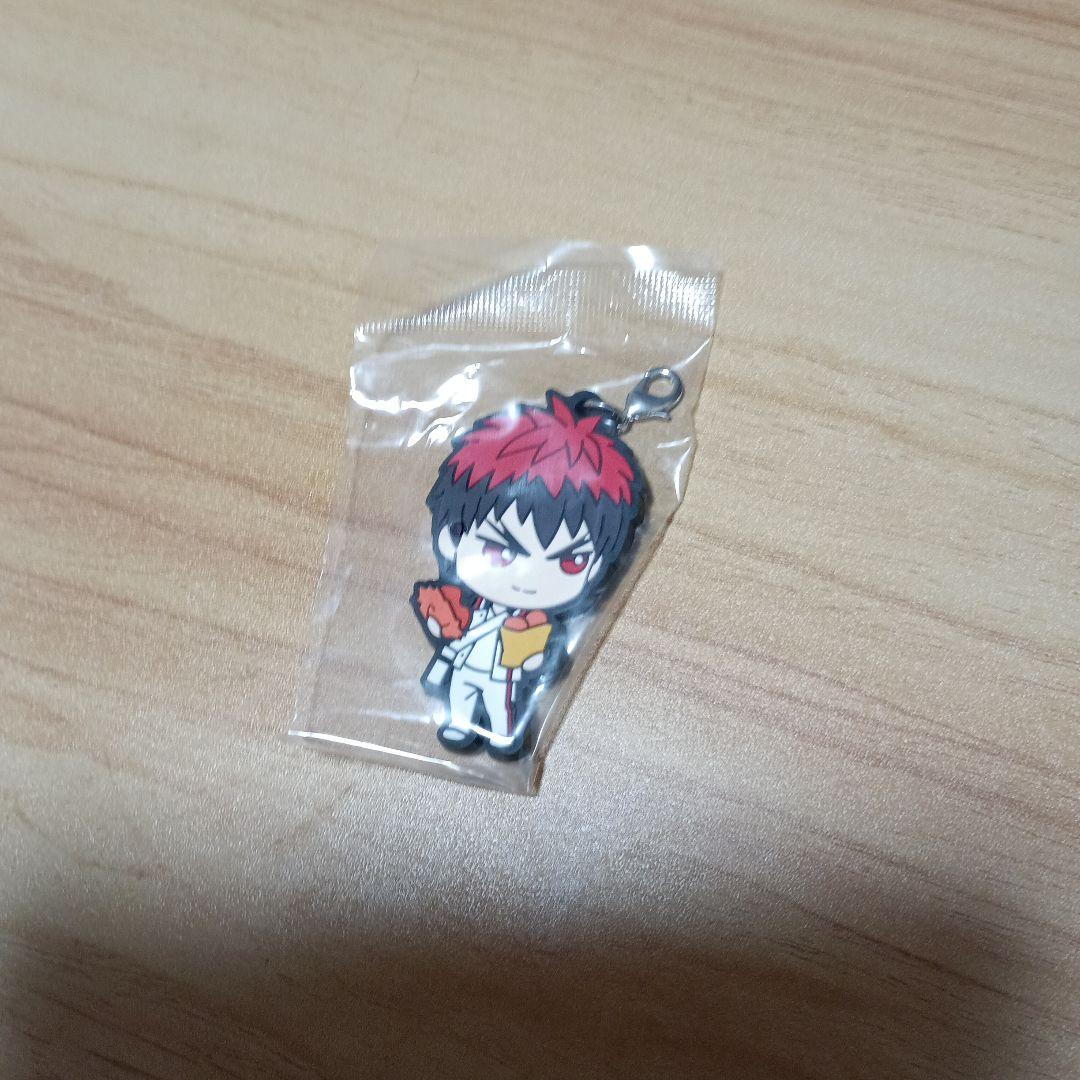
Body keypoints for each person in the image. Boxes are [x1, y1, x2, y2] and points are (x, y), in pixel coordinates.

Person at [413, 390, 646, 756]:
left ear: (595, 570)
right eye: (502, 549)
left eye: (570, 561)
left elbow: (544, 659)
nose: (530, 576)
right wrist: (439, 620)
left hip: (504, 677)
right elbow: (445, 626)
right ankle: (459, 725)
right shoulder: (461, 601)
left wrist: (535, 659)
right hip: (464, 665)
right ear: (452, 538)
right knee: (460, 694)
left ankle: (503, 734)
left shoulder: (537, 623)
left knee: (500, 705)